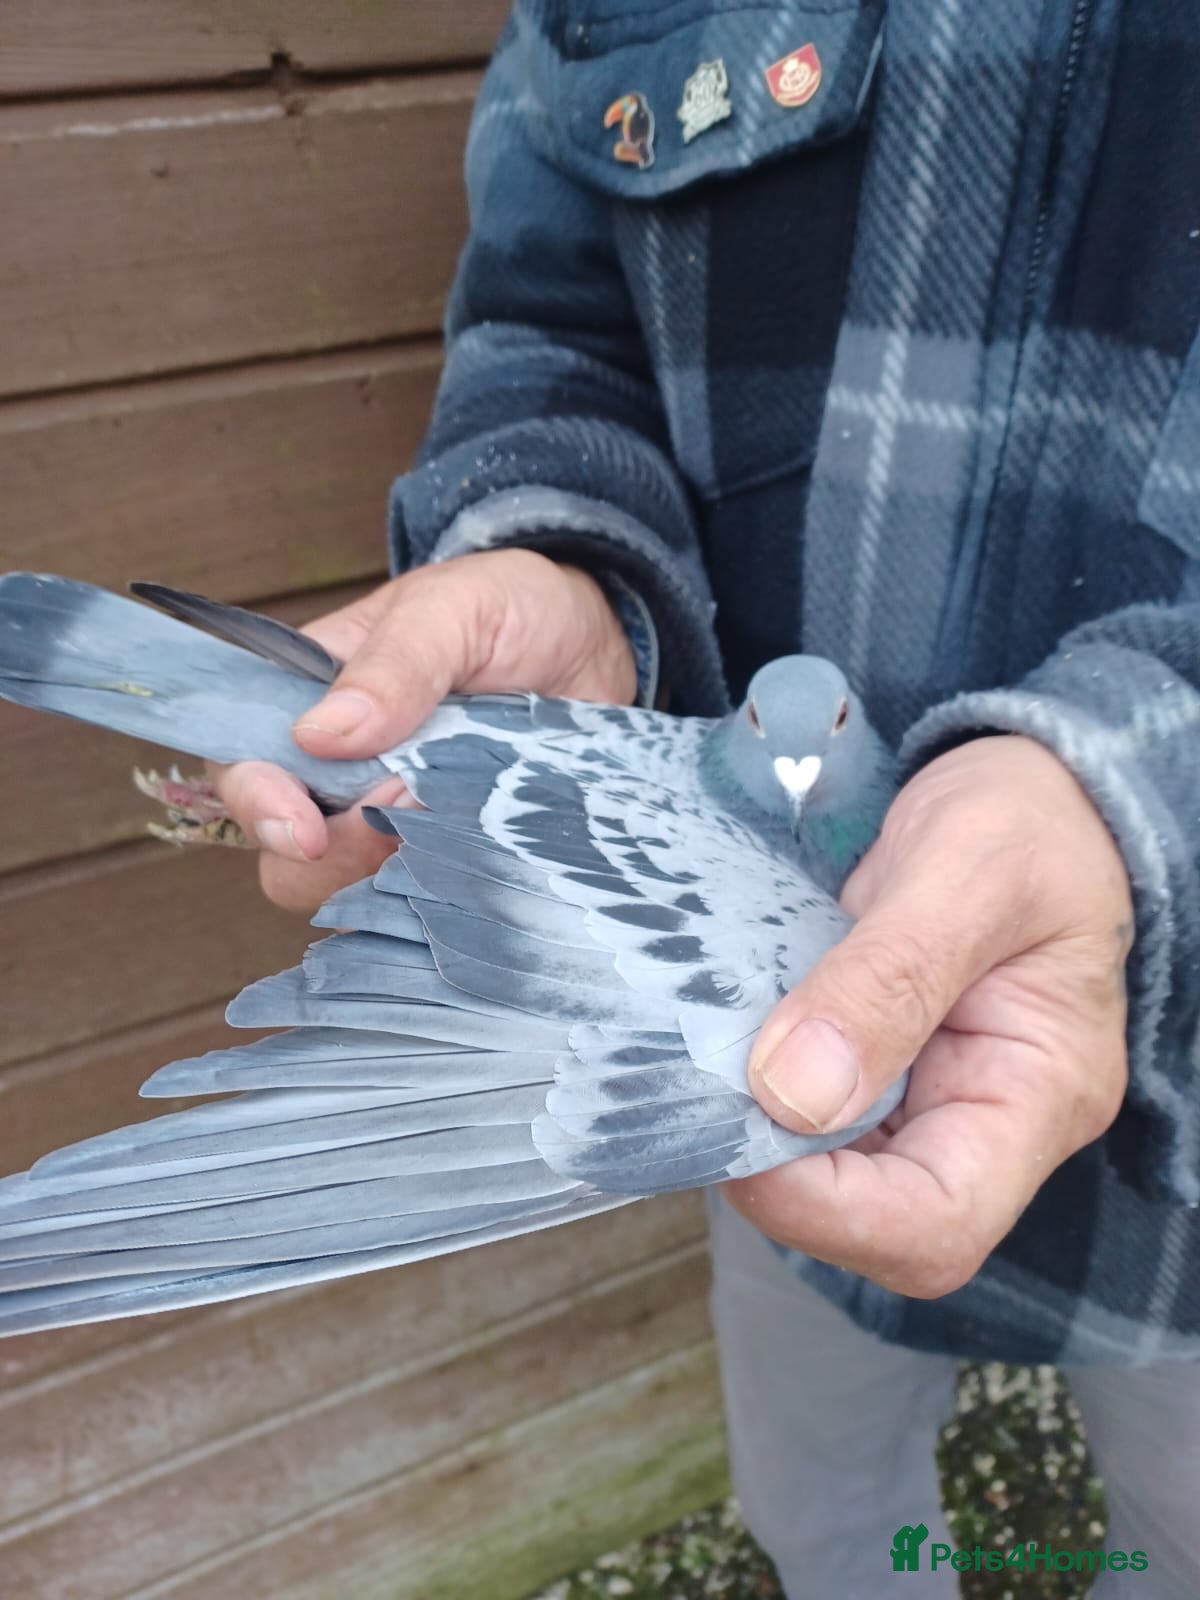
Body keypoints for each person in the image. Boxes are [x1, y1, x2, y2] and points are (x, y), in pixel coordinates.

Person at [207, 4, 1200, 1593]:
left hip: (1180, 1185)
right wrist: (576, 561)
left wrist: (1146, 792)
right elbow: (557, 310)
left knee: (1174, 1537)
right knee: (828, 1510)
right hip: (760, 1082)